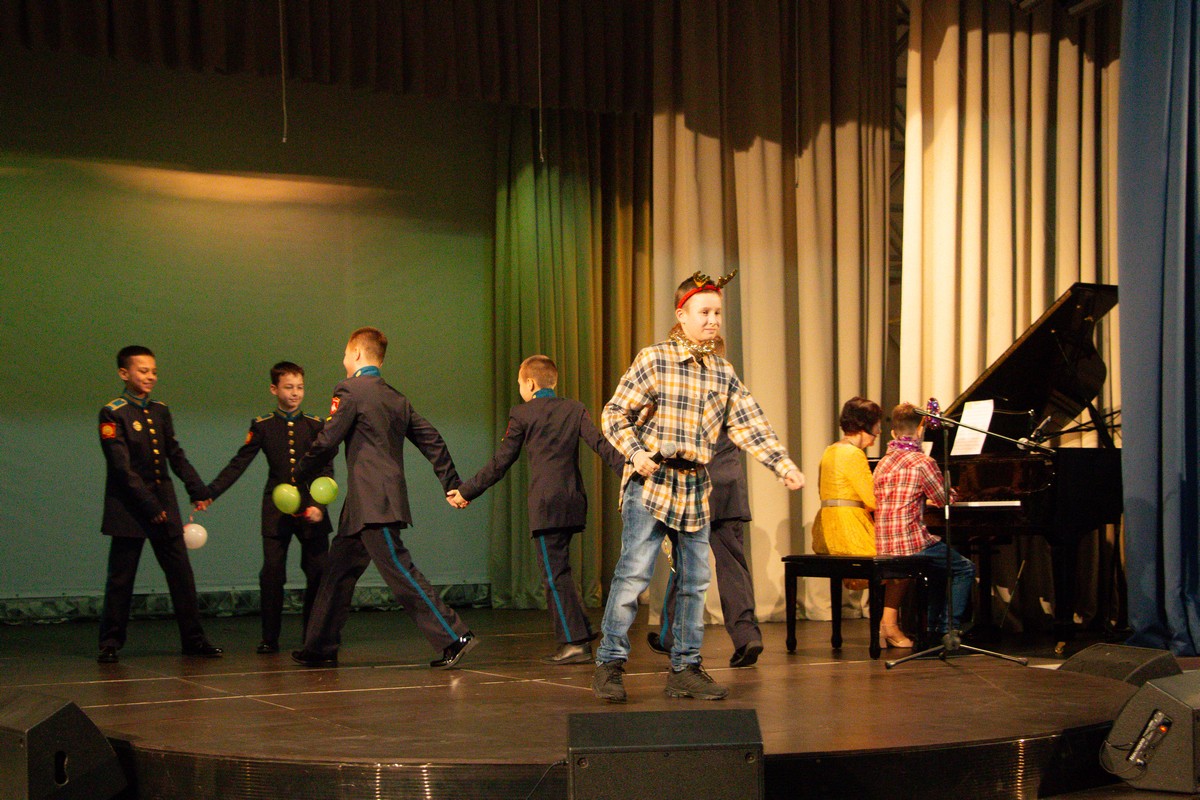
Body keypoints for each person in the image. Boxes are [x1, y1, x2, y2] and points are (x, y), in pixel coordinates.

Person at [593, 271, 805, 703]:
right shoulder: (655, 359)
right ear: (682, 315)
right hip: (652, 481)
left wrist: (781, 465)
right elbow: (614, 414)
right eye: (704, 312)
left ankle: (685, 668)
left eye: (717, 313)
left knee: (694, 582)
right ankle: (610, 663)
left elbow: (750, 424)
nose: (713, 320)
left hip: (694, 486)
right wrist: (635, 452)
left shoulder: (722, 372)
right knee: (632, 576)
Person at [289, 327, 477, 670]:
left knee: (400, 571)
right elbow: (431, 438)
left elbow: (328, 440)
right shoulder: (395, 398)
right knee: (337, 573)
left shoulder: (349, 390)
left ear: (357, 354)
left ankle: (454, 635)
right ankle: (319, 646)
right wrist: (450, 482)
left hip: (374, 502)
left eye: (345, 354)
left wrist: (298, 473)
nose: (343, 360)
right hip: (364, 504)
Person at [446, 355, 625, 665]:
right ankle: (579, 631)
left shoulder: (522, 414)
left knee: (554, 575)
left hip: (546, 505)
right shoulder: (574, 408)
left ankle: (574, 643)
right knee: (561, 570)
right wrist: (632, 473)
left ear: (530, 383)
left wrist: (466, 490)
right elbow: (601, 445)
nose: (520, 388)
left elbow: (501, 462)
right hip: (572, 501)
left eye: (520, 383)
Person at [96, 345, 222, 664]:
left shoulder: (159, 411)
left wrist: (197, 488)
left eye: (153, 371)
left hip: (164, 505)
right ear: (124, 373)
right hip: (130, 508)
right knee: (121, 578)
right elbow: (121, 469)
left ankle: (194, 640)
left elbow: (174, 455)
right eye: (143, 370)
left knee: (182, 575)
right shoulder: (113, 413)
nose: (150, 376)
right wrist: (151, 506)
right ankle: (110, 642)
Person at [646, 331, 763, 669]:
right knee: (733, 565)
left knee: (684, 563)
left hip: (695, 488)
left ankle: (670, 636)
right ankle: (747, 636)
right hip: (729, 487)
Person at [206, 361, 334, 654]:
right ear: (274, 389)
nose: (295, 393)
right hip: (277, 510)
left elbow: (326, 469)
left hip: (311, 510)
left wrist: (318, 505)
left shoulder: (315, 425)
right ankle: (269, 638)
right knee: (272, 573)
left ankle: (313, 637)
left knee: (318, 572)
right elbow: (239, 463)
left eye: (300, 387)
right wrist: (210, 493)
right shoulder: (263, 425)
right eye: (288, 387)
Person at [811, 397, 913, 647]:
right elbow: (872, 499)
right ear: (866, 425)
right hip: (849, 531)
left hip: (827, 530)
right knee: (902, 563)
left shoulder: (831, 450)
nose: (879, 431)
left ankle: (889, 624)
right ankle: (889, 625)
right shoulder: (854, 454)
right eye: (877, 424)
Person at [873, 402, 976, 636]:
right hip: (911, 544)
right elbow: (943, 499)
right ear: (920, 431)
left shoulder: (882, 464)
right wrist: (955, 492)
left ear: (893, 433)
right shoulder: (923, 462)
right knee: (965, 568)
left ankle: (931, 625)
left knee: (939, 567)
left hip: (885, 543)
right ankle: (949, 628)